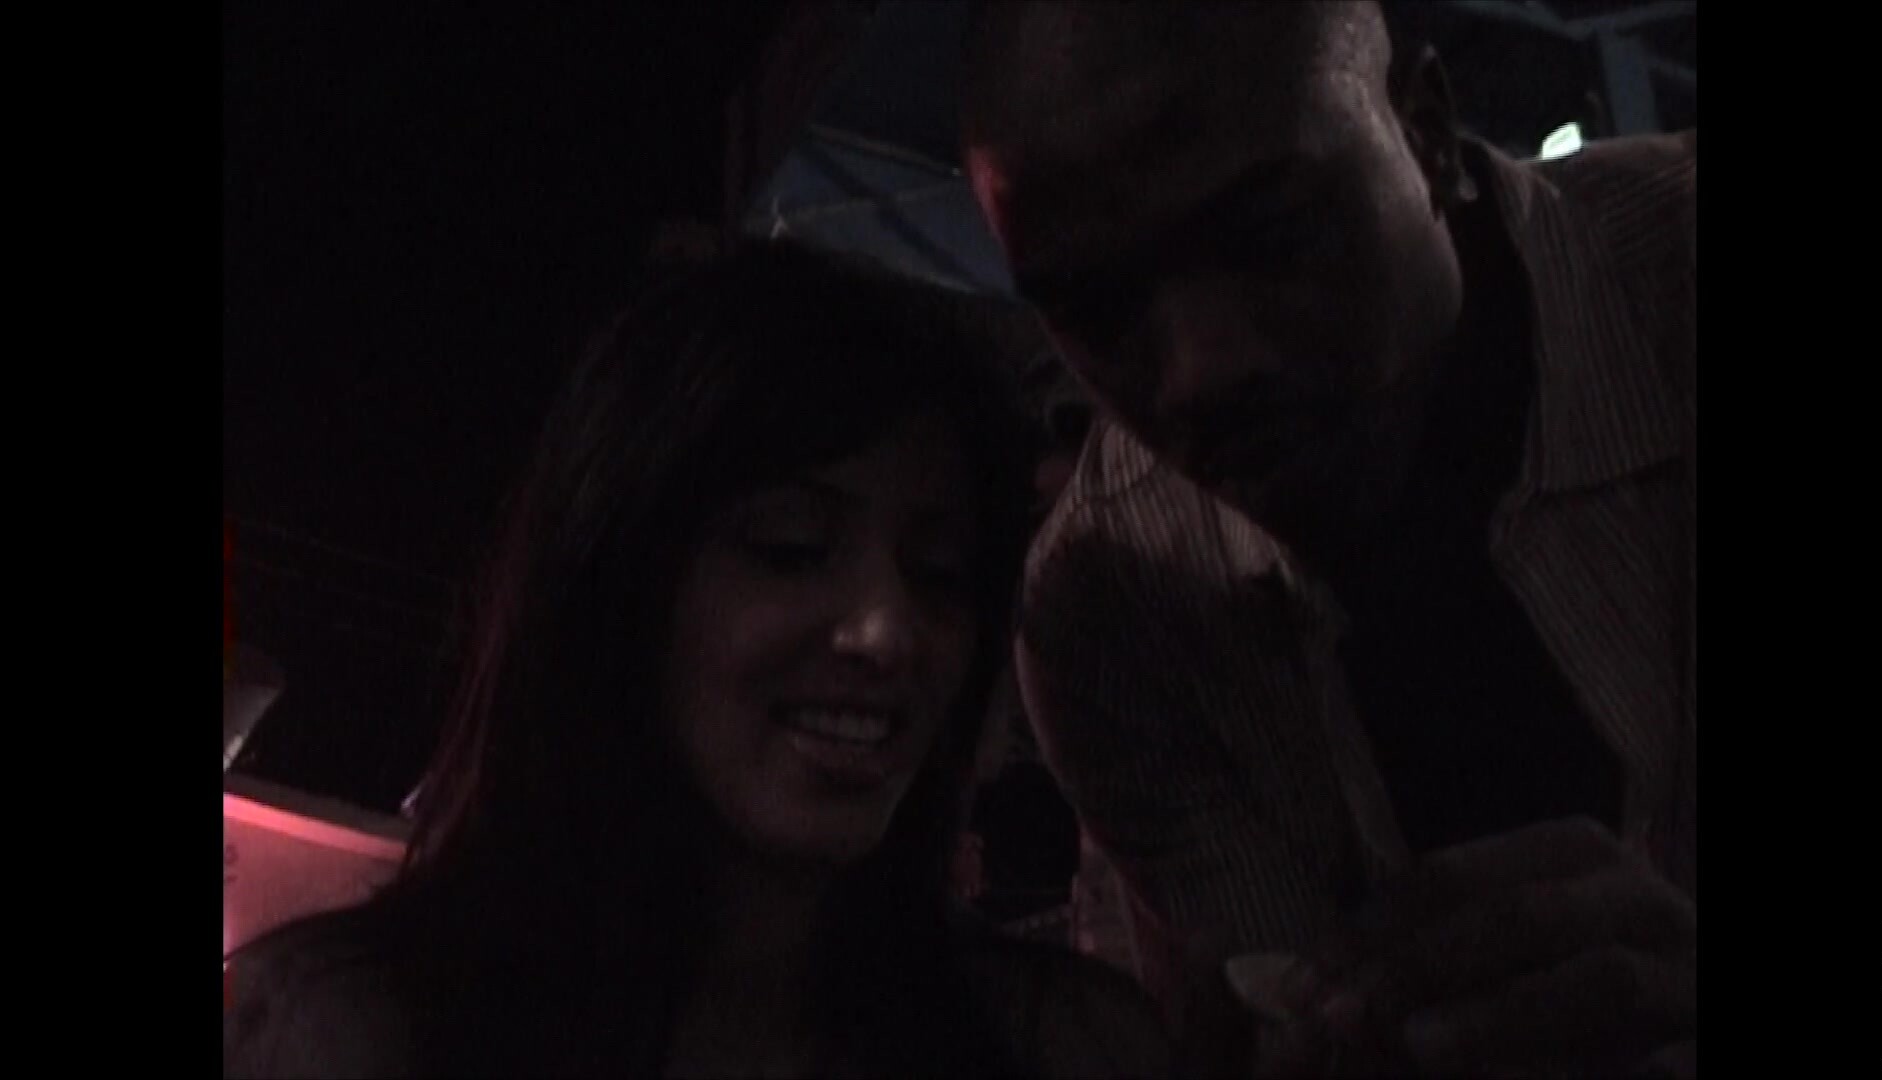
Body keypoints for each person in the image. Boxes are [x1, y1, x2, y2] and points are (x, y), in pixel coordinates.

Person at [223, 239, 1171, 1078]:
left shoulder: (1064, 1046)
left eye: (939, 573)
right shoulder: (347, 1035)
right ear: (621, 581)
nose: (889, 632)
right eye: (793, 548)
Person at [960, 2, 1696, 1075]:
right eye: (1096, 310)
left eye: (1271, 236)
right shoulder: (1110, 614)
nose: (1200, 370)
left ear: (1427, 134)